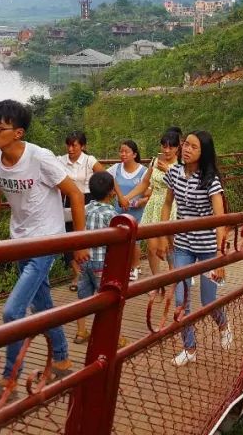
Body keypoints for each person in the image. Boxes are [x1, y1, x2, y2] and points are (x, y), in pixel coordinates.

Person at [0, 100, 88, 402]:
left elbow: (75, 194)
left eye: (0, 128)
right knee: (42, 305)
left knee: (13, 311)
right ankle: (62, 360)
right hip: (19, 241)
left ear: (18, 132)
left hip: (46, 241)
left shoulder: (40, 158)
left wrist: (78, 242)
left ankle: (9, 378)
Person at [161, 131, 233, 366]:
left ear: (204, 153)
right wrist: (164, 234)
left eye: (193, 146)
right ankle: (189, 348)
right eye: (186, 144)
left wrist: (220, 258)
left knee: (208, 301)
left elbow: (220, 219)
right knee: (182, 299)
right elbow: (167, 203)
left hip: (208, 247)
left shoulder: (210, 180)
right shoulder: (174, 173)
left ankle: (223, 324)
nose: (186, 149)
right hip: (183, 244)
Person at [120, 128, 182, 279]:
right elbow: (144, 183)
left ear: (177, 148)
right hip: (154, 205)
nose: (166, 150)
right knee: (151, 246)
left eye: (171, 147)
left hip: (171, 204)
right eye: (164, 146)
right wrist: (127, 197)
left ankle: (175, 275)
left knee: (170, 245)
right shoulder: (155, 161)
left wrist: (168, 170)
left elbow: (182, 185)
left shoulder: (181, 165)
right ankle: (156, 281)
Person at [72, 171, 116, 344]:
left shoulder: (84, 209)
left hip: (84, 260)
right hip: (102, 261)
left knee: (83, 297)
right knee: (106, 298)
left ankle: (81, 332)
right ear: (111, 192)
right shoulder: (111, 214)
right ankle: (108, 335)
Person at [59, 131, 105, 292]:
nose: (70, 149)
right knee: (65, 237)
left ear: (82, 146)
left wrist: (114, 195)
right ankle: (77, 272)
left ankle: (86, 273)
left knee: (84, 237)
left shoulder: (88, 160)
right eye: (69, 145)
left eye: (74, 145)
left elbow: (104, 176)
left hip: (86, 199)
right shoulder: (60, 161)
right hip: (67, 200)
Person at [108, 141, 148, 281]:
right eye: (121, 151)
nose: (123, 154)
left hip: (136, 211)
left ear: (135, 154)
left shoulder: (143, 171)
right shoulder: (115, 168)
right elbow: (107, 181)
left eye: (126, 151)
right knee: (118, 239)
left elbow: (148, 193)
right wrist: (114, 194)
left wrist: (140, 202)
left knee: (134, 240)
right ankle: (120, 267)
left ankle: (135, 267)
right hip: (118, 210)